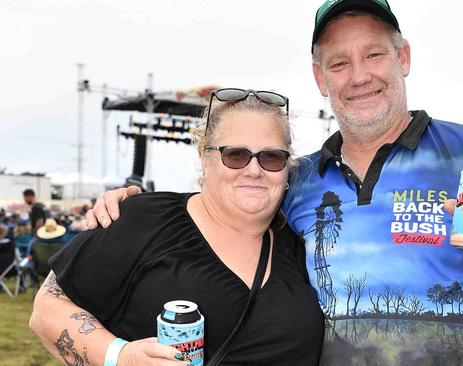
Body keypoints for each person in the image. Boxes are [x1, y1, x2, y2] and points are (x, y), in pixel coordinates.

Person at [84, 1, 463, 364]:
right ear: (320, 78)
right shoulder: (295, 178)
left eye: (374, 55)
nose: (358, 76)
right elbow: (218, 215)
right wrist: (132, 213)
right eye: (339, 63)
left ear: (403, 58)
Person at [30, 90, 324, 365]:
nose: (254, 170)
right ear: (204, 157)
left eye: (272, 157)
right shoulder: (143, 218)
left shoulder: (301, 243)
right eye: (235, 154)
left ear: (287, 167)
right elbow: (47, 309)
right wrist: (120, 356)